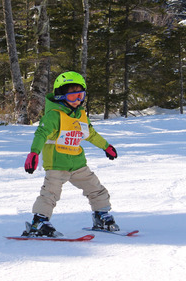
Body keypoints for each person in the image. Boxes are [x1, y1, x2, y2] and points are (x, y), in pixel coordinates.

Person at [23, 71, 119, 237]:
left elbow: (91, 134)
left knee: (95, 188)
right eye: (72, 96)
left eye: (80, 96)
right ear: (61, 95)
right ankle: (39, 222)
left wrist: (106, 146)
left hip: (78, 163)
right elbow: (41, 134)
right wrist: (34, 153)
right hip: (57, 164)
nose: (77, 101)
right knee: (50, 194)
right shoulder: (54, 116)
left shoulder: (81, 115)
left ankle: (101, 216)